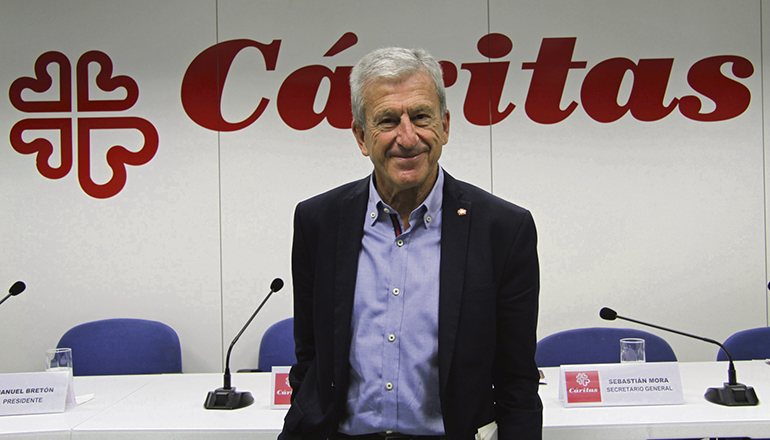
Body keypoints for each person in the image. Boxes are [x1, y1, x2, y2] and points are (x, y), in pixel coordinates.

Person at [279, 47, 542, 440]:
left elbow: (518, 381)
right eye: (387, 120)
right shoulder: (319, 221)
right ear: (361, 137)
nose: (408, 137)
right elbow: (310, 358)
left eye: (421, 116)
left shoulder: (503, 230)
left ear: (445, 126)